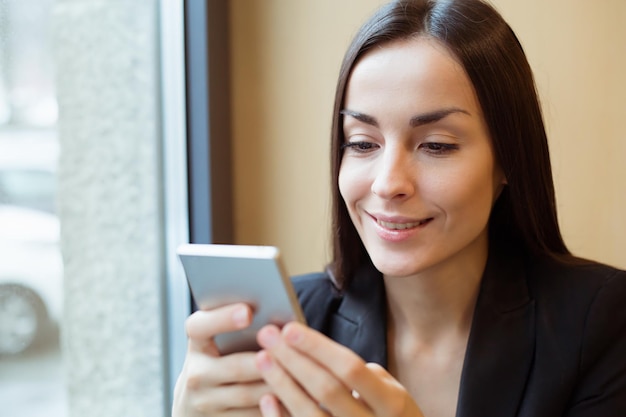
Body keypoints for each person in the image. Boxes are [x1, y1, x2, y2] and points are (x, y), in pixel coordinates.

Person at [173, 0, 626, 416]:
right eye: (362, 143)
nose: (388, 183)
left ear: (507, 159)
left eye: (436, 145)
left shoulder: (602, 323)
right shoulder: (293, 328)